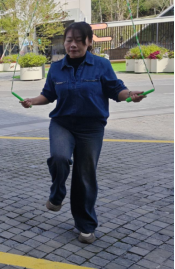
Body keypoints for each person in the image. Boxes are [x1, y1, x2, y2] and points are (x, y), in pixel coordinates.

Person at [20, 22, 147, 244]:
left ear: (89, 42)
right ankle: (57, 194)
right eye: (69, 40)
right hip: (62, 123)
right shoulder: (56, 68)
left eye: (79, 40)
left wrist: (130, 95)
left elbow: (116, 89)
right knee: (59, 157)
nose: (73, 45)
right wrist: (32, 101)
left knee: (84, 176)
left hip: (91, 127)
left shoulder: (101, 65)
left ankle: (85, 225)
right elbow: (48, 94)